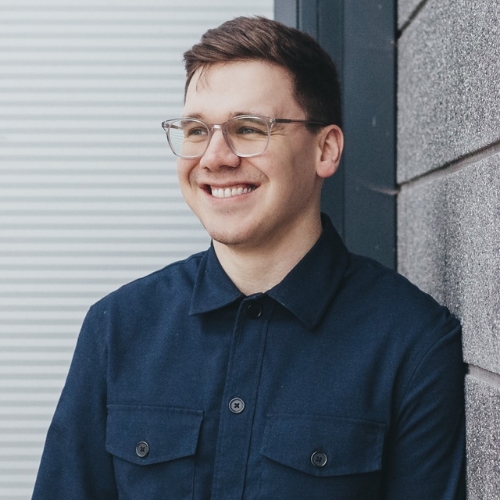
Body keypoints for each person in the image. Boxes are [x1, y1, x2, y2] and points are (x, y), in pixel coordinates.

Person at [33, 16, 465, 499]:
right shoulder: (116, 329)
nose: (215, 157)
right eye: (196, 130)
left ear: (325, 149)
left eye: (248, 127)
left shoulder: (413, 344)